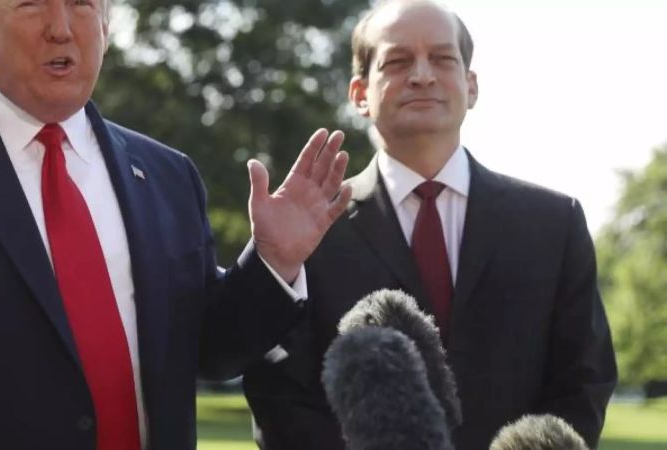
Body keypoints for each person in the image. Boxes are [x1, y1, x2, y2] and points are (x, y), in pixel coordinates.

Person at [0, 1, 353, 449]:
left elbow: (209, 354)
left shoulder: (168, 175)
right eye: (32, 4)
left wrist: (273, 263)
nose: (61, 27)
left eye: (82, 4)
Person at [242, 1, 617, 449]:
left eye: (442, 58)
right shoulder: (307, 231)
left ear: (471, 85)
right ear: (360, 93)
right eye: (398, 62)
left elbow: (584, 382)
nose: (422, 75)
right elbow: (279, 394)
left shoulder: (555, 223)